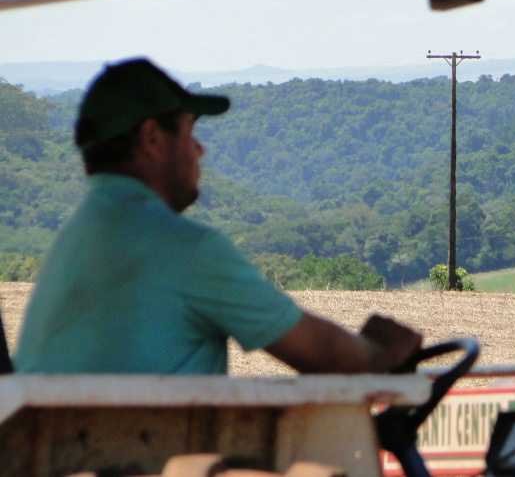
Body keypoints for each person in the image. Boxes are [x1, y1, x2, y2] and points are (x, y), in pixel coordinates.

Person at [14, 58, 422, 374]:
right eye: (190, 133)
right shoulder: (188, 250)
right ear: (152, 138)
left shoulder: (72, 242)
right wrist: (381, 353)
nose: (200, 150)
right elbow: (325, 355)